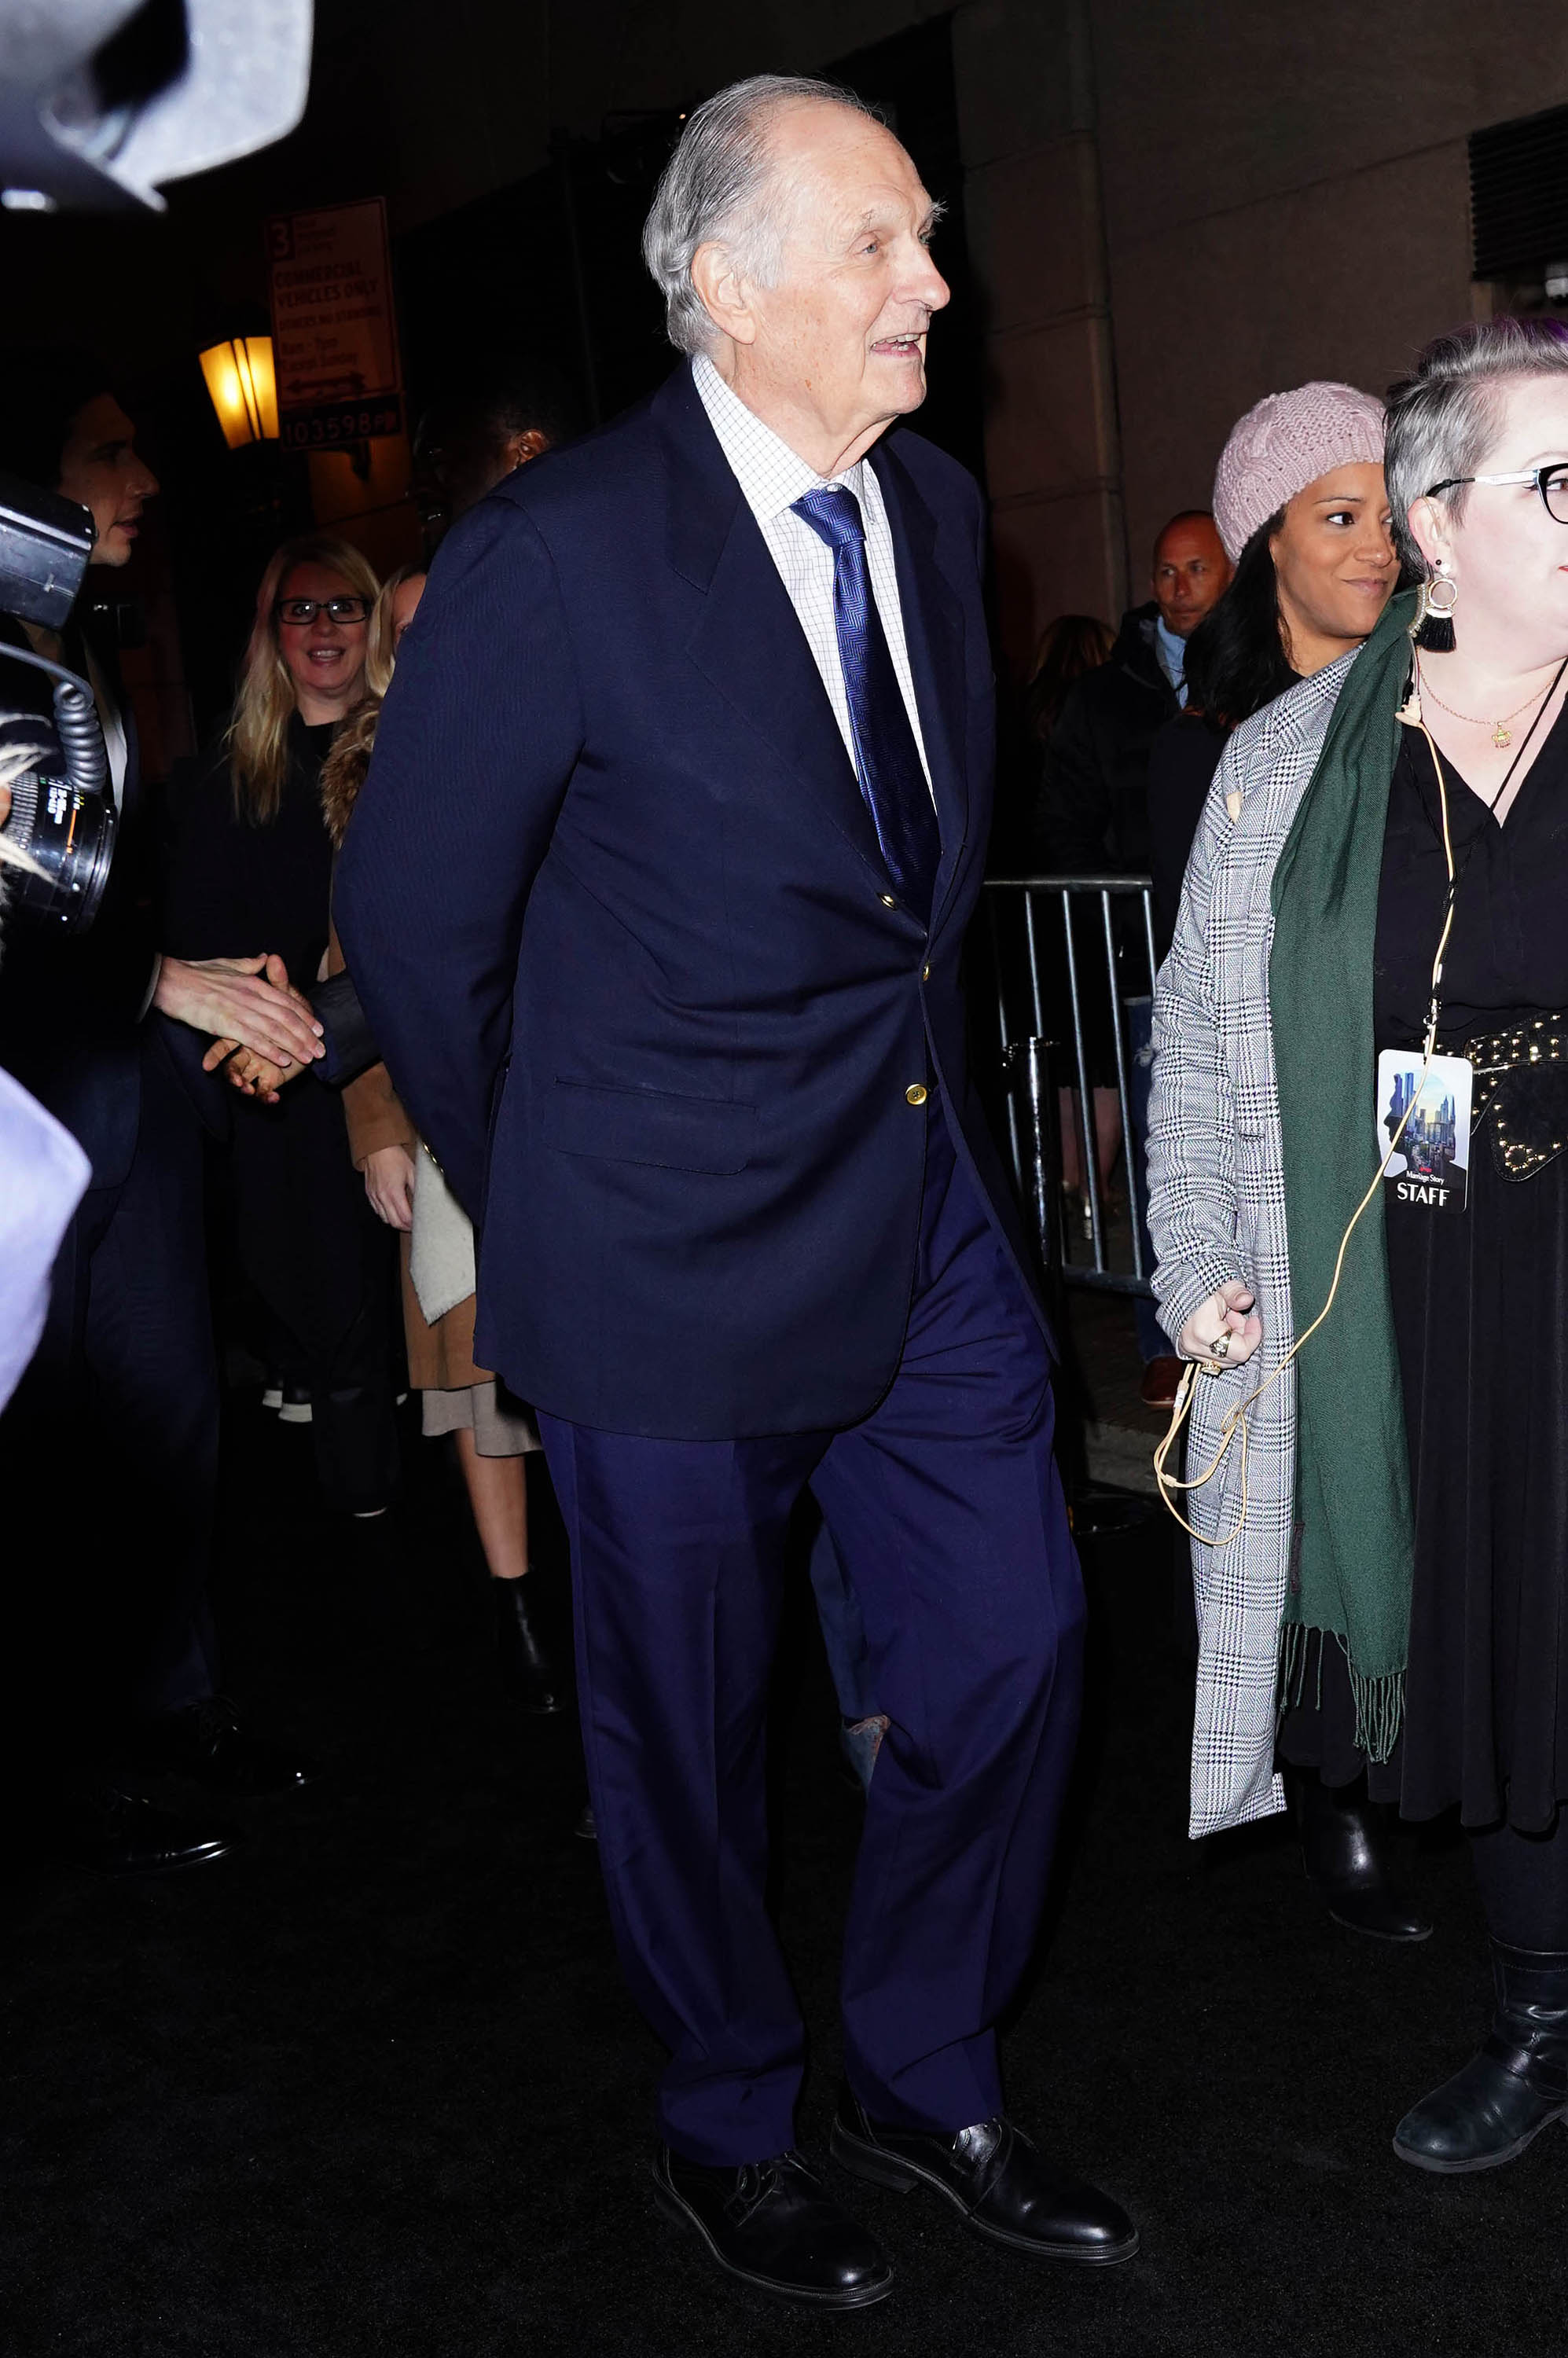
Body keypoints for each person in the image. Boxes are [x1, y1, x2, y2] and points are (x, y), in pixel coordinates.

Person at [337, 73, 1134, 2310]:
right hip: (657, 1263)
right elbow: (418, 927)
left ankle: (918, 2059)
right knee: (680, 1749)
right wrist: (554, 1201)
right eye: (880, 242)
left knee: (1013, 1640)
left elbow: (908, 909)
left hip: (924, 1217)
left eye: (929, 237)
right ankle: (724, 2117)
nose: (933, 285)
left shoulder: (945, 512)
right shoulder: (554, 550)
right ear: (722, 280)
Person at [1148, 314, 1568, 2173]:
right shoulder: (1283, 768)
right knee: (1498, 1632)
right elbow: (1197, 1052)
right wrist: (1196, 1263)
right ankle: (1542, 2010)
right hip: (1415, 1286)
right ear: (1438, 515)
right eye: (1561, 478)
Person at [0, 355, 322, 1873]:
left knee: (166, 1416)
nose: (138, 488)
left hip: (122, 1106)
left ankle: (176, 1704)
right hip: (30, 1122)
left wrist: (203, 976)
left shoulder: (65, 643)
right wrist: (164, 983)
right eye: (107, 456)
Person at [311, 567, 562, 1711]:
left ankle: (610, 1600)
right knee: (476, 1382)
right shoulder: (371, 774)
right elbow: (350, 960)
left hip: (571, 1112)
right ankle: (520, 1615)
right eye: (403, 626)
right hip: (446, 1119)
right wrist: (374, 1129)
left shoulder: (562, 713)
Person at [1143, 385, 1399, 1430]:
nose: (1375, 547)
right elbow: (1196, 1030)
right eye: (1338, 517)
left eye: (1390, 516)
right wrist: (1193, 1258)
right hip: (1272, 1242)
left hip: (1406, 1227)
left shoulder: (1444, 724)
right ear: (1264, 548)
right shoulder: (1215, 756)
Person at [166, 534, 401, 1517]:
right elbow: (197, 938)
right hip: (277, 1087)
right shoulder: (224, 776)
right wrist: (263, 1029)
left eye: (343, 605)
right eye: (300, 610)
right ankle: (374, 1545)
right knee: (333, 1314)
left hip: (404, 1064)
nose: (323, 627)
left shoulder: (420, 747)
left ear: (373, 620)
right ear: (270, 632)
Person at [1033, 514, 1232, 1399]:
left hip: (1244, 947)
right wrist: (1127, 905)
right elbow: (1063, 817)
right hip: (1143, 951)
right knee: (1171, 1141)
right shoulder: (1105, 696)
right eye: (1167, 570)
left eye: (1199, 568)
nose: (1181, 585)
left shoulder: (1268, 668)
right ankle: (1166, 1329)